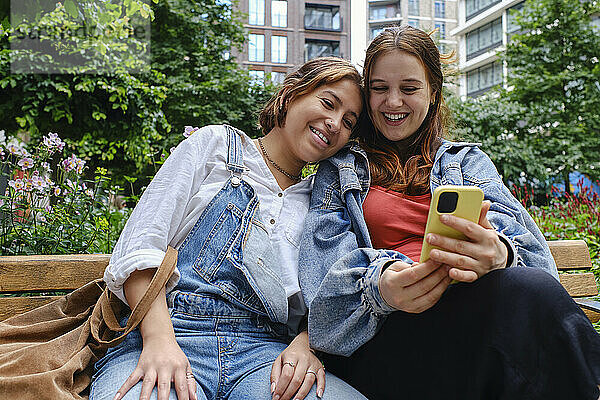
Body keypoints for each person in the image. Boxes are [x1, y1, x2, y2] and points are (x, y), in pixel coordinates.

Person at [298, 26, 600, 399]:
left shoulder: (466, 161)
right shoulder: (341, 168)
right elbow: (322, 287)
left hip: (475, 325)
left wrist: (500, 253)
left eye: (409, 88)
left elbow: (537, 260)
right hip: (386, 339)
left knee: (526, 292)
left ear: (433, 92)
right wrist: (383, 285)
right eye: (379, 88)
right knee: (525, 308)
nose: (393, 102)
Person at [89, 57, 367, 400]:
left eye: (349, 122)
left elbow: (331, 293)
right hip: (170, 332)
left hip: (266, 356)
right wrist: (159, 340)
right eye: (328, 103)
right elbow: (139, 247)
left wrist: (308, 343)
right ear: (293, 93)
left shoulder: (321, 202)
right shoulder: (216, 147)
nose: (335, 123)